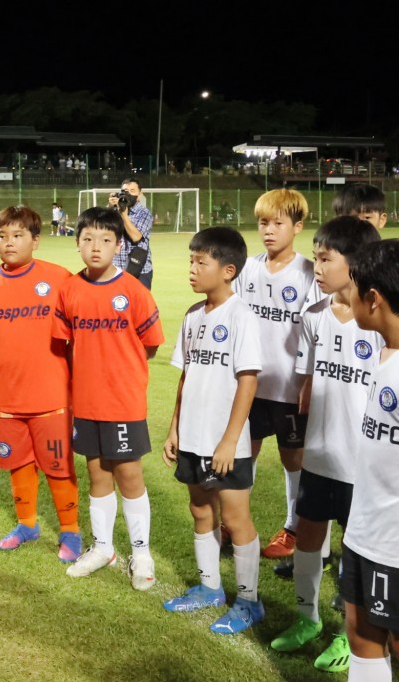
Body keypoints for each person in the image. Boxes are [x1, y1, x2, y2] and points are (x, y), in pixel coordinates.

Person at [268, 217, 382, 673]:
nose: (315, 266)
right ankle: (308, 619)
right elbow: (309, 384)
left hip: (362, 466)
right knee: (310, 539)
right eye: (314, 256)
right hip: (320, 456)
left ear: (355, 264)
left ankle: (346, 634)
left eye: (325, 258)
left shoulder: (378, 322)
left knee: (355, 557)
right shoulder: (312, 316)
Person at [53, 206, 164, 590]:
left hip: (122, 400)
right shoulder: (69, 289)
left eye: (105, 239)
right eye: (87, 239)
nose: (95, 246)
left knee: (129, 473)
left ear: (118, 244)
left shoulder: (133, 290)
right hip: (86, 401)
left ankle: (142, 552)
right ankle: (102, 547)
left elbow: (149, 345)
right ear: (77, 243)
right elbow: (66, 345)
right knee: (97, 474)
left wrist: (120, 372)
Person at [162, 227, 265, 634]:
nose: (192, 268)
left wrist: (229, 440)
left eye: (200, 262)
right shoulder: (191, 315)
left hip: (227, 443)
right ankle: (209, 588)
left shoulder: (242, 316)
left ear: (227, 270)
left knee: (237, 521)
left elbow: (248, 380)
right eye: (191, 260)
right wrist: (174, 427)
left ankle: (249, 602)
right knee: (200, 509)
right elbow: (186, 377)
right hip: (192, 434)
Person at [0, 206, 81, 561]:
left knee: (57, 465)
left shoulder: (59, 278)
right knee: (17, 463)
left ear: (35, 241)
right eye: (2, 235)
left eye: (18, 235)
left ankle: (70, 531)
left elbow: (81, 332)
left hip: (52, 395)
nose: (8, 242)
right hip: (7, 398)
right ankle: (27, 524)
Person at [232, 189, 320, 564]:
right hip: (249, 384)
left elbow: (317, 332)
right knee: (242, 453)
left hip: (289, 387)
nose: (268, 231)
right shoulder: (247, 268)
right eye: (263, 223)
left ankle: (293, 526)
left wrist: (309, 383)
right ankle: (237, 522)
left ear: (297, 227)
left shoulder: (308, 273)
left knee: (293, 458)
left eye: (278, 223)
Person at [340, 239, 399, 682]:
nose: (347, 295)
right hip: (365, 530)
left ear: (373, 298)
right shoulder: (385, 356)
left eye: (353, 288)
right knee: (361, 634)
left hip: (392, 542)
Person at [107, 178, 155, 289]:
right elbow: (102, 229)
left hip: (139, 269)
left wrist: (123, 215)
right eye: (125, 191)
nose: (128, 194)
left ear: (140, 193)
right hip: (115, 268)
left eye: (132, 191)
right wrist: (110, 207)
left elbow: (136, 237)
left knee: (140, 305)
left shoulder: (144, 213)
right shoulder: (114, 211)